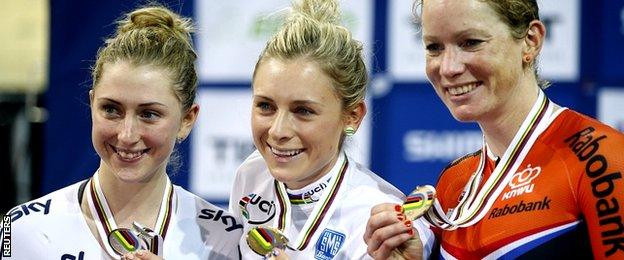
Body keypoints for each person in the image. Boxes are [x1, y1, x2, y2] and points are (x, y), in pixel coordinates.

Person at [364, 0, 624, 259]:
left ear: (530, 41)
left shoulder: (602, 160)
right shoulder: (454, 183)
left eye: (471, 42)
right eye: (434, 47)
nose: (448, 67)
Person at [0, 5, 242, 260]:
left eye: (149, 114)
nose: (127, 135)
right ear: (93, 104)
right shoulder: (19, 230)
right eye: (111, 109)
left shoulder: (223, 239)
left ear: (187, 119)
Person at [224, 0, 436, 259]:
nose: (278, 131)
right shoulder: (251, 174)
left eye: (303, 111)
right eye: (266, 106)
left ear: (352, 117)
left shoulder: (381, 218)